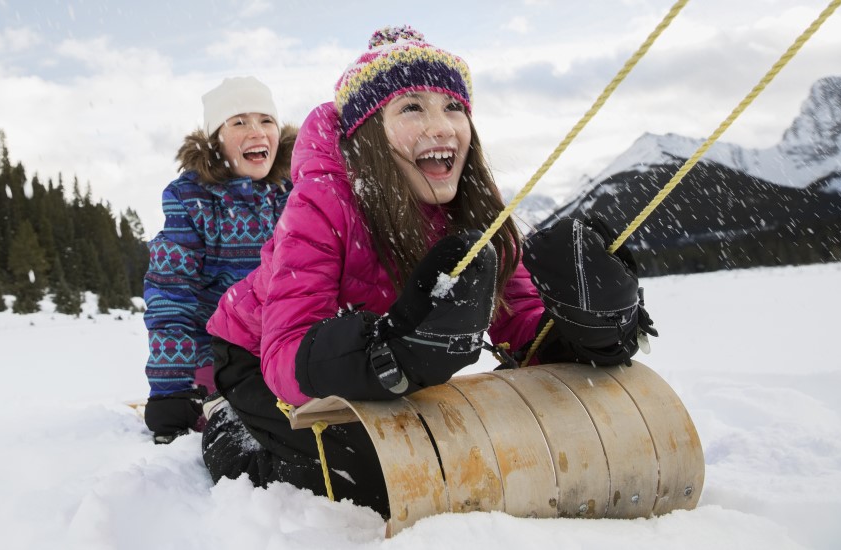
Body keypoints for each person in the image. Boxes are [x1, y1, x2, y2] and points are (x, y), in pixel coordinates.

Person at [202, 26, 656, 517]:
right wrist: (389, 352)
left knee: (465, 454)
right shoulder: (325, 200)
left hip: (360, 362)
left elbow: (517, 319)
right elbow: (286, 354)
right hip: (256, 353)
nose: (441, 127)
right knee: (369, 478)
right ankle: (227, 424)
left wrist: (585, 334)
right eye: (412, 107)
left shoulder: (474, 206)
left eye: (453, 107)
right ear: (370, 131)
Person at [142, 76, 298, 444]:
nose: (256, 131)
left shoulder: (297, 194)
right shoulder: (191, 201)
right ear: (216, 139)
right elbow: (171, 295)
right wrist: (172, 387)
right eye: (239, 122)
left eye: (266, 120)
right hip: (216, 355)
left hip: (286, 347)